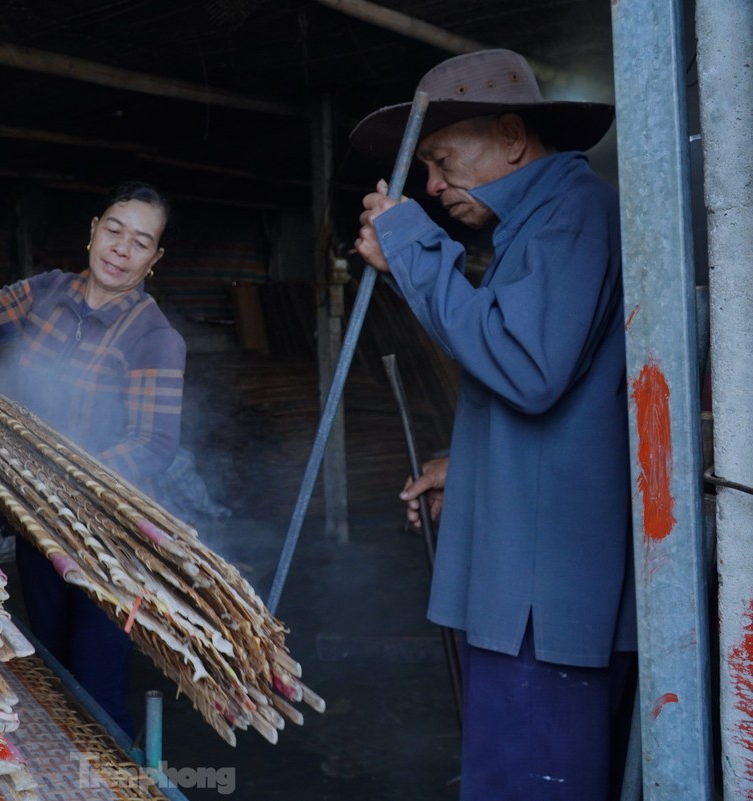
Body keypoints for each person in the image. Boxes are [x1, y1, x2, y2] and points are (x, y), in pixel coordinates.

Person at [350, 50, 636, 800]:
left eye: (442, 161)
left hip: (546, 599)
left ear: (513, 136)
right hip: (533, 586)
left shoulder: (577, 209)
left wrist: (413, 248)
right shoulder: (540, 225)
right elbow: (555, 400)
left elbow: (528, 368)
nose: (434, 186)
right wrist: (464, 464)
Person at [0, 181, 184, 737]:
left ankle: (110, 788)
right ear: (92, 230)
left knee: (99, 682)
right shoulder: (47, 290)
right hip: (38, 524)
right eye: (113, 230)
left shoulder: (155, 337)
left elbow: (153, 443)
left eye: (140, 242)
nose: (120, 248)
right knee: (53, 665)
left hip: (107, 538)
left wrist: (60, 478)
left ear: (154, 259)